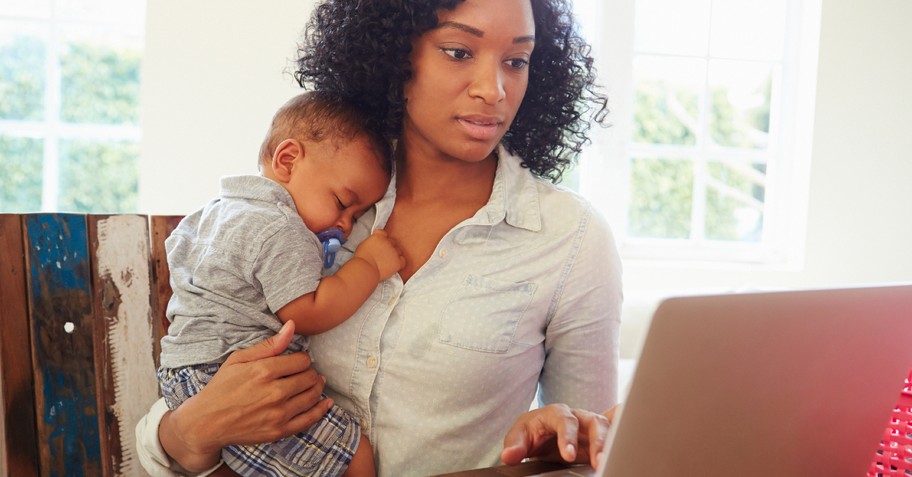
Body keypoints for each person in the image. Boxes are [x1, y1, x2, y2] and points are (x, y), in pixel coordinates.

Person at [136, 0, 623, 475]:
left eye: (516, 61)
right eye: (458, 52)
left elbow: (592, 452)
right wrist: (189, 432)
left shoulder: (571, 239)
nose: (494, 90)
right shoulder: (311, 196)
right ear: (395, 53)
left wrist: (561, 444)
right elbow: (199, 366)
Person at [155, 91, 405, 476]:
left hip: (183, 374)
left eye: (358, 215)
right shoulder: (280, 227)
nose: (346, 226)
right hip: (225, 373)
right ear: (287, 160)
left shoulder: (216, 211)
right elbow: (308, 311)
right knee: (356, 457)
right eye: (342, 202)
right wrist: (369, 265)